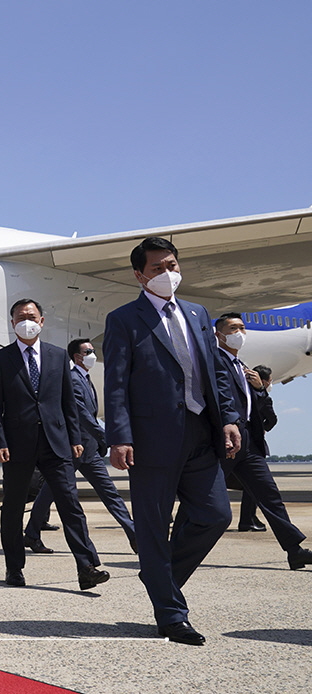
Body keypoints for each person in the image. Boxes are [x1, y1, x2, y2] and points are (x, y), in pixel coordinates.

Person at [103, 236, 242, 646]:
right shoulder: (124, 319)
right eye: (158, 268)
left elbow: (215, 371)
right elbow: (116, 384)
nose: (169, 274)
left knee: (216, 514)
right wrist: (120, 436)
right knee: (151, 527)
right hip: (150, 439)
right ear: (139, 275)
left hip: (201, 432)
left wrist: (229, 419)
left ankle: (158, 576)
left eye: (173, 265)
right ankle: (171, 615)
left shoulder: (198, 313)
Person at [0, 300, 108, 591]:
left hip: (56, 443)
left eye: (31, 317)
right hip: (17, 445)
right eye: (20, 317)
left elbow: (68, 402)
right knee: (13, 508)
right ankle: (14, 568)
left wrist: (75, 438)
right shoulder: (1, 360)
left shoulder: (57, 357)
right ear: (12, 322)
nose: (26, 321)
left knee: (71, 505)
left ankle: (86, 567)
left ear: (42, 322)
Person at [211, 315, 312, 569]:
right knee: (203, 496)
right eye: (233, 328)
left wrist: (259, 390)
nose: (240, 333)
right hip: (223, 442)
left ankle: (294, 550)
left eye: (243, 328)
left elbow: (260, 413)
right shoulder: (214, 361)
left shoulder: (242, 367)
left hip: (249, 444)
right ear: (218, 334)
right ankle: (169, 549)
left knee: (270, 496)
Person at [23, 339, 136, 555]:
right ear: (77, 357)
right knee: (49, 493)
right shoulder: (74, 379)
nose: (93, 354)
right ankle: (31, 534)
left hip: (89, 450)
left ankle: (134, 535)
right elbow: (82, 415)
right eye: (89, 351)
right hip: (72, 448)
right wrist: (107, 437)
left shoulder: (86, 379)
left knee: (109, 493)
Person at [238, 365, 276, 532]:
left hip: (232, 441)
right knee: (253, 485)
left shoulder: (240, 391)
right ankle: (247, 519)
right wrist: (261, 429)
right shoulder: (262, 396)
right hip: (252, 445)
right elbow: (272, 419)